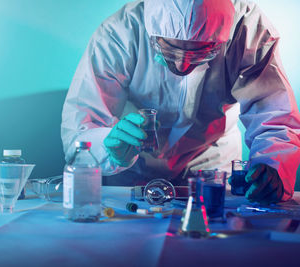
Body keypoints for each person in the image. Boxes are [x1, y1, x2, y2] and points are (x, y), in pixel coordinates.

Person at [61, 0, 300, 204]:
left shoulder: (248, 30)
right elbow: (81, 129)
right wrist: (110, 149)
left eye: (201, 52)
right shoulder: (120, 33)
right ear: (152, 31)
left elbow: (275, 116)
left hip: (211, 163)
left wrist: (273, 166)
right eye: (170, 51)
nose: (183, 67)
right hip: (132, 166)